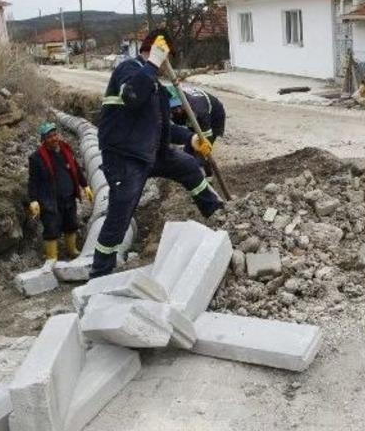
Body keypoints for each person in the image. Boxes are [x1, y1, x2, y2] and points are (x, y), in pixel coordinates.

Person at [91, 31, 223, 279]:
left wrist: (191, 139)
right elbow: (131, 97)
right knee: (122, 212)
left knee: (188, 167)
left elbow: (164, 128)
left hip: (153, 153)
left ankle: (217, 213)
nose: (166, 66)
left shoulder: (158, 89)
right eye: (166, 57)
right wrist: (152, 62)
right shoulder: (129, 69)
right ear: (154, 52)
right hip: (125, 156)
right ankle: (100, 272)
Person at [28, 122, 94, 260]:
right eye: (49, 136)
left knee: (71, 224)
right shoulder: (37, 158)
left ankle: (72, 251)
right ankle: (52, 257)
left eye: (55, 134)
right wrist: (33, 199)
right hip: (49, 200)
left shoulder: (66, 150)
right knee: (51, 228)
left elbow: (76, 169)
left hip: (68, 196)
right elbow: (33, 181)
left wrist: (85, 185)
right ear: (43, 140)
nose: (54, 138)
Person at [166, 84, 226, 175]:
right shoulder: (164, 101)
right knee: (188, 152)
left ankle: (207, 176)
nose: (177, 110)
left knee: (201, 154)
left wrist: (204, 152)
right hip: (191, 115)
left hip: (214, 116)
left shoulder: (198, 110)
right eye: (173, 108)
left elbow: (205, 139)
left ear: (184, 101)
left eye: (179, 106)